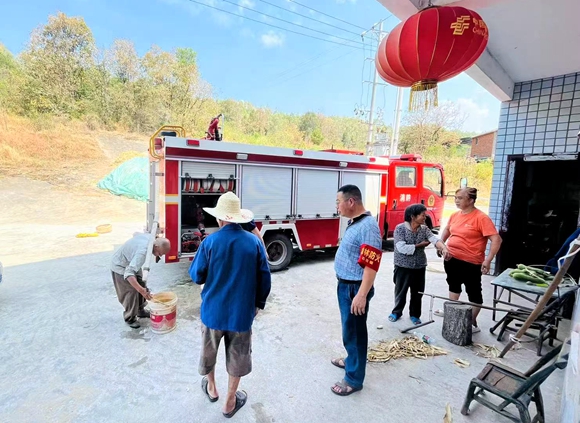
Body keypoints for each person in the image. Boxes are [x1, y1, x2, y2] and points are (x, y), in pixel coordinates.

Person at [189, 191, 271, 418]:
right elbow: (265, 278)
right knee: (238, 356)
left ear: (219, 218)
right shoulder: (254, 242)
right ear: (238, 217)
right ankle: (229, 401)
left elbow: (197, 276)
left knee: (209, 351)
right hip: (241, 315)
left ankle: (212, 388)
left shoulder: (210, 242)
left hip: (213, 313)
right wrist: (258, 304)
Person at [330, 184, 382, 396]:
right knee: (348, 329)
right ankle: (351, 361)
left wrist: (361, 295)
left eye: (338, 202)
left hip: (354, 288)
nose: (337, 206)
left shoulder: (368, 226)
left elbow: (371, 265)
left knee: (355, 333)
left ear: (351, 202)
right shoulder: (356, 222)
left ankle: (353, 379)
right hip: (345, 285)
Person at [437, 187, 502, 333]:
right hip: (451, 258)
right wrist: (441, 244)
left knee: (474, 292)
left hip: (471, 262)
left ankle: (471, 321)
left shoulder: (481, 218)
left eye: (460, 198)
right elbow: (447, 229)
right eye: (456, 197)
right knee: (453, 285)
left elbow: (496, 239)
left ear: (471, 200)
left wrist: (488, 260)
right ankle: (452, 313)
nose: (457, 200)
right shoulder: (455, 215)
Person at [389, 204, 449, 325]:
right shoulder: (400, 228)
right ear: (413, 216)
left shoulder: (424, 229)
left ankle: (415, 315)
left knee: (418, 293)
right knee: (401, 291)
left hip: (419, 266)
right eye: (423, 215)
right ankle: (396, 312)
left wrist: (444, 248)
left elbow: (434, 239)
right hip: (402, 266)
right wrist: (419, 245)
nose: (425, 217)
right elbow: (401, 248)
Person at [111, 235, 170, 329]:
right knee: (132, 291)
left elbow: (136, 234)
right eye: (160, 253)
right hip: (121, 266)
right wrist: (141, 290)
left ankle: (140, 310)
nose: (160, 255)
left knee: (142, 284)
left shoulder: (151, 239)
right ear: (156, 246)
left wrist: (142, 288)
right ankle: (129, 318)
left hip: (131, 261)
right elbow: (128, 273)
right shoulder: (143, 253)